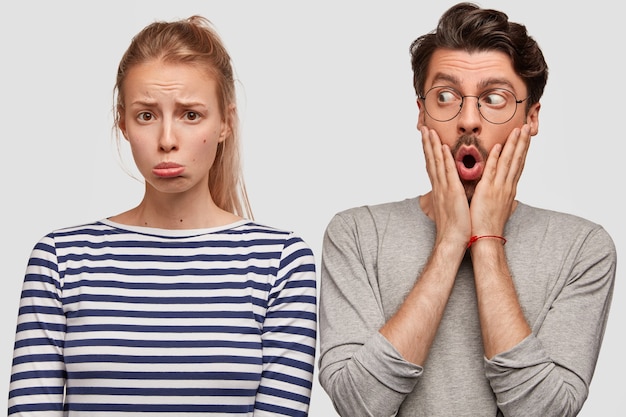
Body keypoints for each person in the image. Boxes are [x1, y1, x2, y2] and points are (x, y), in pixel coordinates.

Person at [8, 16, 317, 417]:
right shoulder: (60, 259)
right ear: (123, 122)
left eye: (190, 115)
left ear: (226, 122)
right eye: (146, 115)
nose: (167, 140)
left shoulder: (280, 261)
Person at [317, 3, 616, 417]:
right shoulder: (356, 234)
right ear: (422, 114)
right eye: (445, 97)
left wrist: (487, 241)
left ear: (531, 118)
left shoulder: (582, 247)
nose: (469, 120)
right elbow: (359, 404)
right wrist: (449, 243)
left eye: (494, 98)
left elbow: (545, 412)